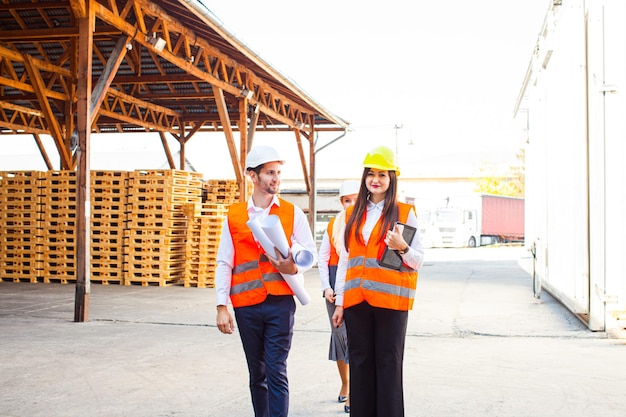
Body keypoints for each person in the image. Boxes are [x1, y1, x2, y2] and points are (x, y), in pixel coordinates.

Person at [215, 144, 318, 417]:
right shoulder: (234, 215)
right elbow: (225, 261)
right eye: (270, 173)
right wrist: (221, 305)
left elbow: (310, 252)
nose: (276, 179)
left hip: (281, 303)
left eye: (279, 173)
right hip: (246, 305)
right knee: (256, 373)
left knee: (276, 370)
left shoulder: (291, 212)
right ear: (253, 175)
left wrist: (293, 268)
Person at [332, 145, 424, 417]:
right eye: (371, 174)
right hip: (357, 302)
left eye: (382, 175)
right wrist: (340, 302)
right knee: (359, 365)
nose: (376, 180)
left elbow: (418, 259)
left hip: (391, 302)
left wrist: (402, 247)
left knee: (388, 366)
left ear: (392, 179)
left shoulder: (405, 213)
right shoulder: (351, 214)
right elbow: (345, 261)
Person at [318, 179, 360, 414]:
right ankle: (345, 382)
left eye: (355, 199)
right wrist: (326, 287)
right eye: (347, 200)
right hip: (334, 285)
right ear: (341, 202)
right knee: (340, 337)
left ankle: (354, 392)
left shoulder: (367, 224)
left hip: (358, 285)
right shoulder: (333, 225)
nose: (351, 204)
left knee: (356, 339)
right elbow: (323, 258)